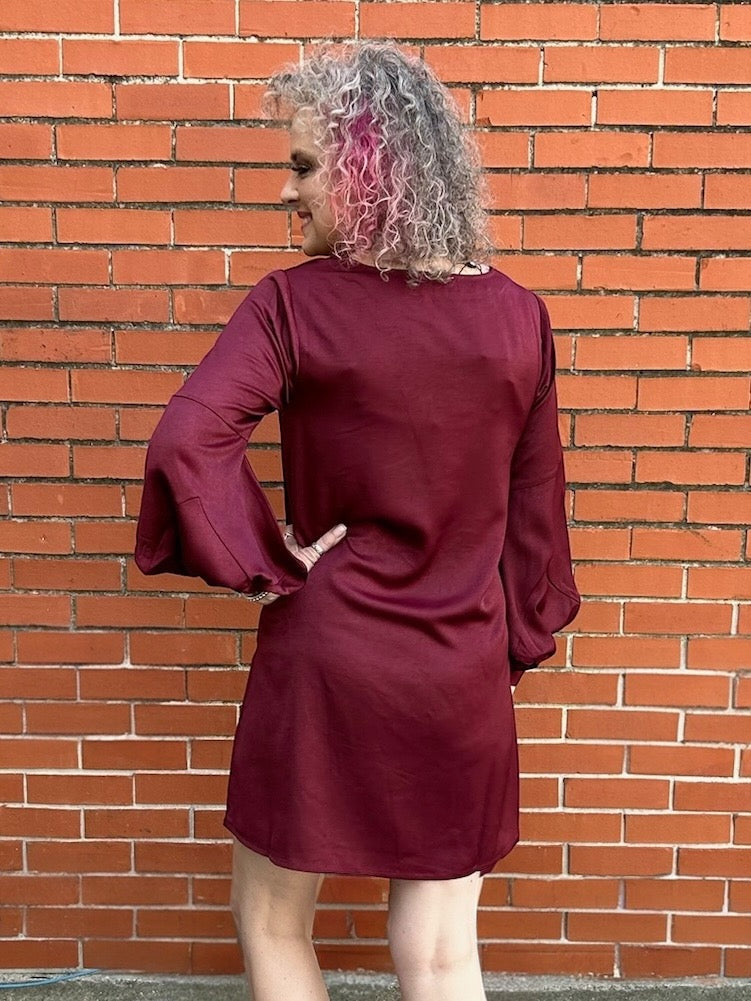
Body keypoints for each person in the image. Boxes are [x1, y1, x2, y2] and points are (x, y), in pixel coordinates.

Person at [135, 40, 579, 1001]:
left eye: (303, 165)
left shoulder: (291, 306)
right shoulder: (519, 319)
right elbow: (536, 520)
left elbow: (186, 440)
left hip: (329, 655)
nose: (287, 191)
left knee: (272, 921)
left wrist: (264, 556)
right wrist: (504, 645)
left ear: (369, 162)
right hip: (457, 666)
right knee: (442, 954)